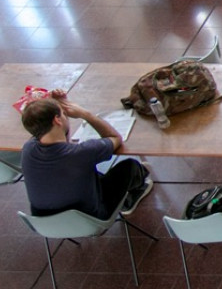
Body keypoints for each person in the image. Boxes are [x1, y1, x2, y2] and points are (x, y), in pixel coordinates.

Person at [19, 92, 152, 219]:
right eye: (64, 114)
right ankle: (133, 195)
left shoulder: (28, 148)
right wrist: (85, 114)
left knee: (87, 173)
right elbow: (115, 138)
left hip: (45, 222)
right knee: (130, 166)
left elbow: (60, 141)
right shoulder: (83, 153)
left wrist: (55, 105)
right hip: (91, 218)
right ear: (57, 120)